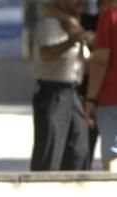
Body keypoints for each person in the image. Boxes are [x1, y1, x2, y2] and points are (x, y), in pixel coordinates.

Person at [30, 0, 94, 171]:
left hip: (73, 93)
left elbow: (85, 63)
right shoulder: (50, 24)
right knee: (50, 151)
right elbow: (46, 53)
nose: (80, 2)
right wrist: (72, 41)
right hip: (52, 92)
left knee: (79, 151)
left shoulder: (77, 24)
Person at [85, 0, 117, 171]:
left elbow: (101, 61)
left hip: (113, 98)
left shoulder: (110, 16)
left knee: (113, 159)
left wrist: (90, 98)